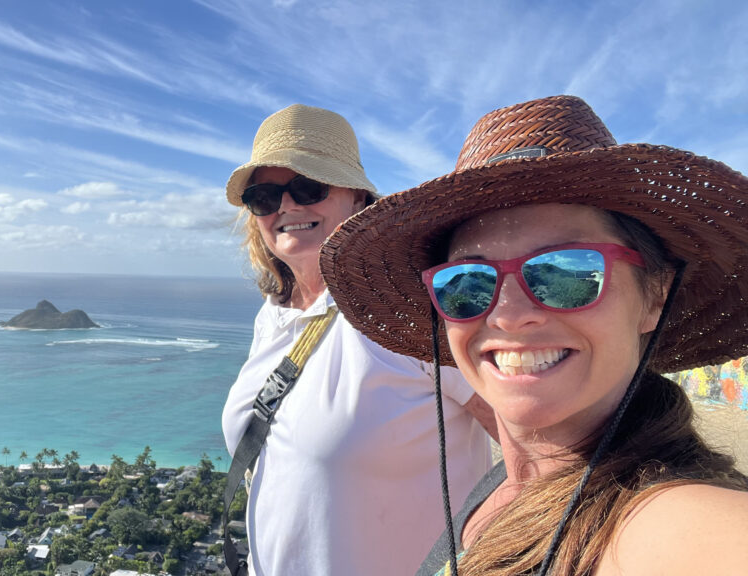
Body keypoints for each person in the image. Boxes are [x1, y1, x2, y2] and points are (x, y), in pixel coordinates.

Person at [320, 95, 748, 576]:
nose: (508, 315)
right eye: (468, 282)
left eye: (565, 271)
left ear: (654, 295)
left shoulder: (675, 523)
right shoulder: (503, 486)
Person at [221, 103, 495, 575]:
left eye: (309, 186)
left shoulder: (410, 311)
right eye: (265, 197)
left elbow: (537, 453)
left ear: (357, 199)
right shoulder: (276, 319)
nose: (287, 206)